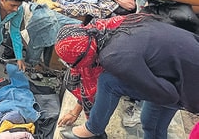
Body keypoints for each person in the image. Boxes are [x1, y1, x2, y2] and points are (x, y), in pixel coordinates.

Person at [55, 14, 199, 139]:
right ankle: (93, 128)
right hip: (183, 67)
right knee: (151, 122)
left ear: (84, 55)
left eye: (73, 64)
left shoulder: (112, 56)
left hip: (190, 84)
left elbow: (169, 95)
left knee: (108, 82)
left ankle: (93, 129)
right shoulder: (108, 30)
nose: (76, 69)